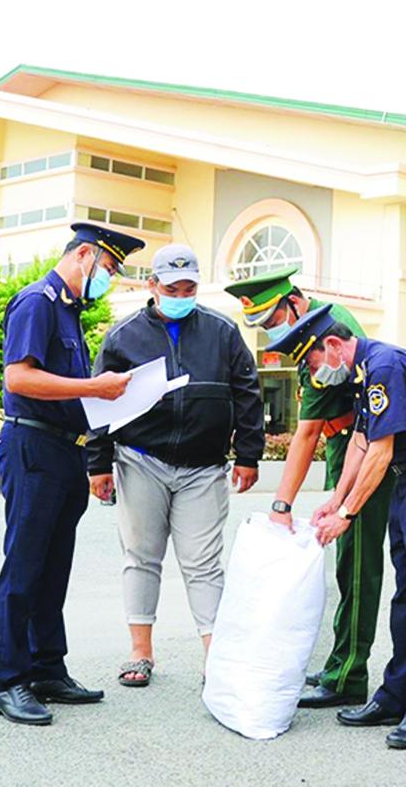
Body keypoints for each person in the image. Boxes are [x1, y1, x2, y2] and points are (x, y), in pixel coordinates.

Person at [266, 306, 406, 750]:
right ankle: (396, 695)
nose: (316, 377)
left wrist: (347, 514)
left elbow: (380, 450)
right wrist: (335, 499)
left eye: (314, 365)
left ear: (333, 346)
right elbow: (359, 441)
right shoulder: (362, 372)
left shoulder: (384, 367)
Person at [86, 244, 266, 688]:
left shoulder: (223, 332)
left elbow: (247, 393)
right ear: (153, 285)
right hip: (141, 460)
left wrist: (249, 454)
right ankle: (141, 652)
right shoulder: (123, 336)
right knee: (141, 557)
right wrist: (98, 463)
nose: (182, 296)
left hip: (203, 467)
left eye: (189, 288)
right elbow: (100, 400)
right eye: (172, 289)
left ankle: (216, 658)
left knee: (203, 563)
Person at [0, 222, 144, 726]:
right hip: (33, 446)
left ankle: (47, 669)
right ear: (83, 255)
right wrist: (94, 388)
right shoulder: (37, 302)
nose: (110, 278)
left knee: (53, 568)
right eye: (109, 267)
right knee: (24, 567)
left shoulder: (68, 312)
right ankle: (9, 680)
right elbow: (19, 377)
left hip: (65, 450)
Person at [222, 266, 390, 709]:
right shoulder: (311, 332)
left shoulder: (325, 336)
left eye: (273, 319)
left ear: (294, 302)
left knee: (356, 566)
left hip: (362, 449)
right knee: (349, 563)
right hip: (346, 445)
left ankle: (347, 675)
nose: (272, 330)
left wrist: (282, 505)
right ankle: (341, 663)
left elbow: (307, 432)